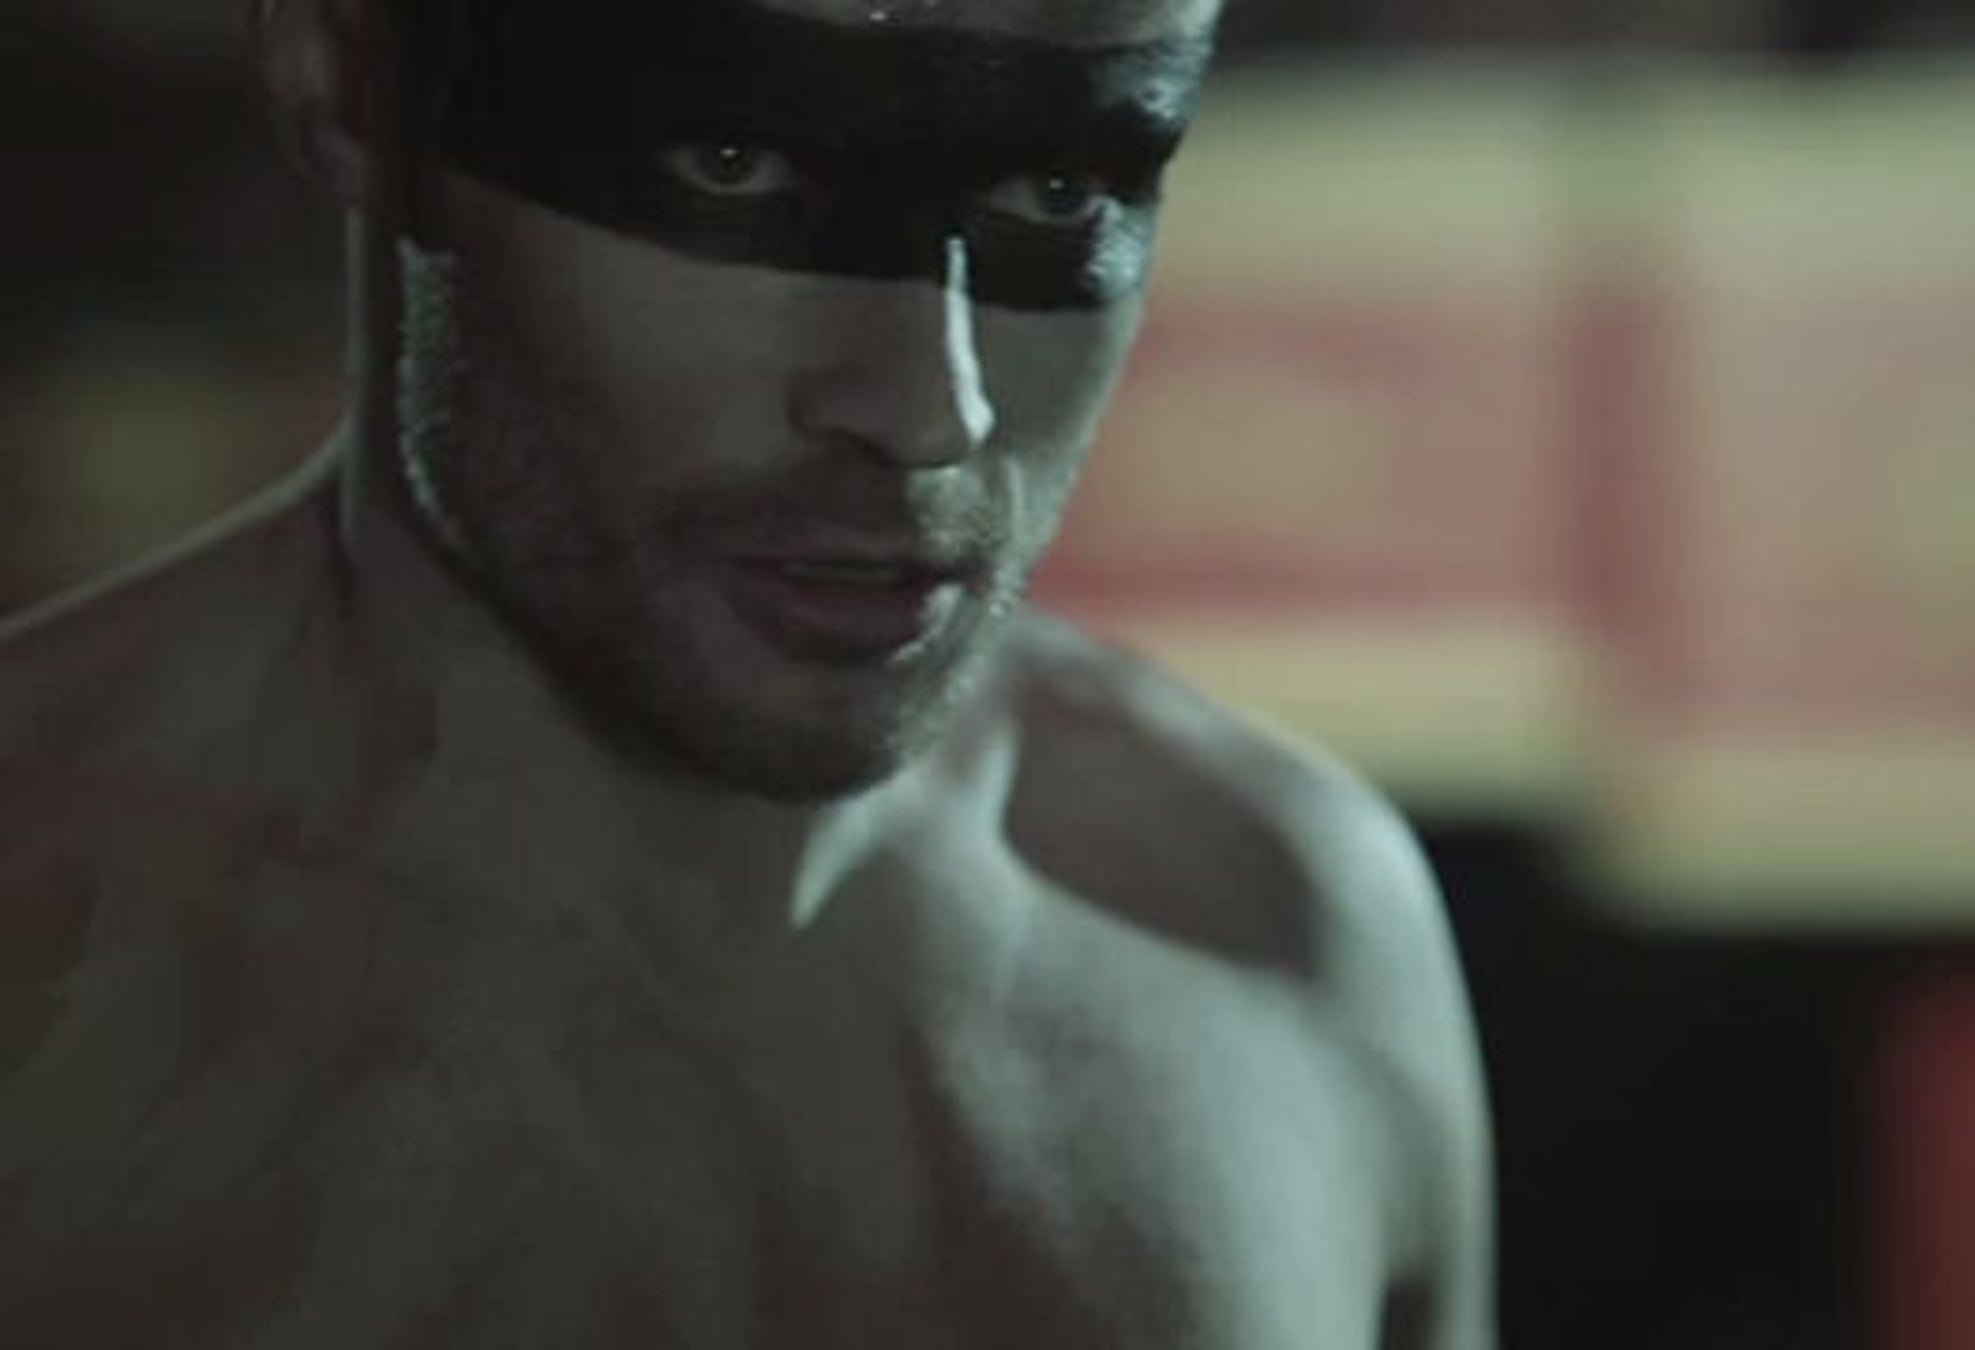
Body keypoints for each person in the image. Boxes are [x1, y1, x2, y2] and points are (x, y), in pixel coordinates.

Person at [0, 0, 1494, 1344]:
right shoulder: (45, 963)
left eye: (1059, 191)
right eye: (730, 161)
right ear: (350, 88)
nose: (928, 412)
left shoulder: (1280, 924)